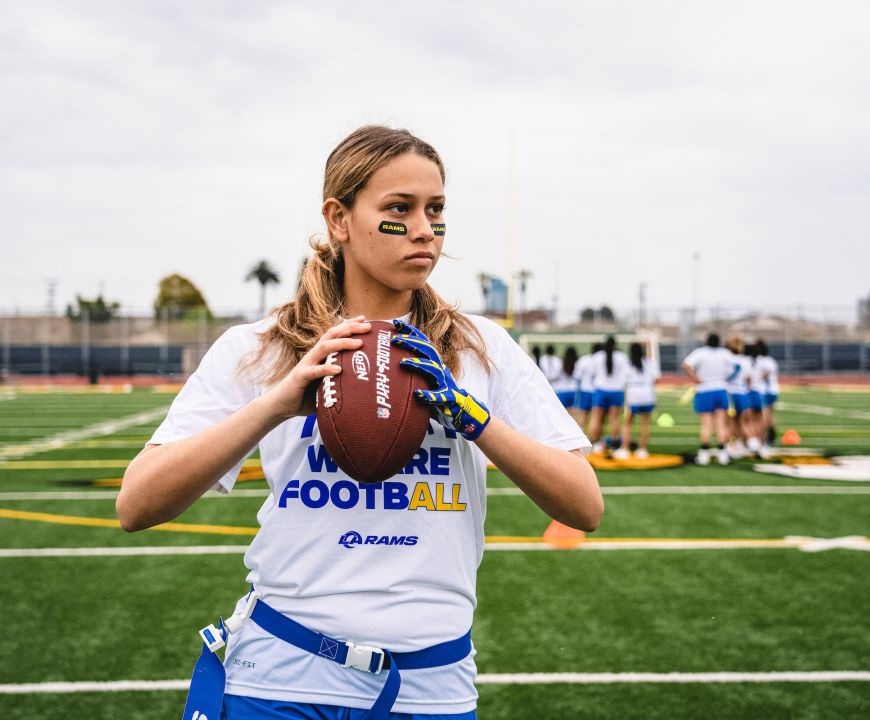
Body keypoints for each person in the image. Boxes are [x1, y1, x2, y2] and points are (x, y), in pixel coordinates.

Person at [117, 126, 603, 720]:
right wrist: (277, 402)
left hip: (431, 686)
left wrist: (473, 418)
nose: (425, 229)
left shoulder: (481, 348)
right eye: (399, 209)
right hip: (281, 677)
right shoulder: (262, 347)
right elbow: (136, 505)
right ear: (339, 218)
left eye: (436, 210)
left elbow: (584, 506)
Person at [680, 333, 736, 465]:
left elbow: (685, 365)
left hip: (705, 389)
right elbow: (736, 367)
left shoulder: (700, 352)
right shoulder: (725, 353)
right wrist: (726, 377)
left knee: (706, 424)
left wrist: (695, 378)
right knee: (721, 424)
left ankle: (704, 454)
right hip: (720, 389)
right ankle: (723, 455)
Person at [587, 335, 630, 459]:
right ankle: (614, 445)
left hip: (600, 390)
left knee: (596, 418)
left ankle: (594, 443)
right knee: (614, 419)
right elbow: (625, 375)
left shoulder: (597, 356)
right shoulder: (622, 357)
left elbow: (591, 374)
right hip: (616, 391)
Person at [620, 342, 659, 459]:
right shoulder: (650, 362)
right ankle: (642, 449)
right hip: (647, 393)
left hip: (633, 393)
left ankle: (625, 449)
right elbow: (656, 378)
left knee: (627, 423)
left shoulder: (627, 364)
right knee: (645, 423)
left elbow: (622, 382)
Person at [754, 339, 781, 446]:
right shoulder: (771, 360)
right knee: (770, 416)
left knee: (763, 417)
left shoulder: (759, 361)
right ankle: (771, 435)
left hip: (765, 390)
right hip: (774, 390)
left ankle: (764, 438)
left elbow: (763, 376)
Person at [572, 342, 602, 429]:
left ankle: (582, 437)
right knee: (596, 417)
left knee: (583, 415)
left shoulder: (584, 360)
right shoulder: (601, 360)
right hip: (597, 391)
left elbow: (577, 376)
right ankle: (594, 439)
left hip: (585, 390)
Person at [550, 346, 579, 417]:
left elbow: (554, 377)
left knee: (561, 418)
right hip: (573, 392)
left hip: (561, 392)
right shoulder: (577, 364)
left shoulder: (560, 363)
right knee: (572, 418)